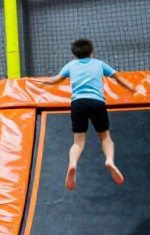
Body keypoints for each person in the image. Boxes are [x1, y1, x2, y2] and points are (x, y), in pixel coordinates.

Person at [36, 38, 135, 191]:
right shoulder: (99, 64)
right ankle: (109, 160)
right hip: (96, 102)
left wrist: (44, 82)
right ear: (91, 52)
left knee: (78, 142)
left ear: (74, 55)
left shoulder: (71, 65)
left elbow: (55, 80)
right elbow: (118, 77)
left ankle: (73, 163)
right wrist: (131, 87)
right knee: (105, 137)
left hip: (78, 104)